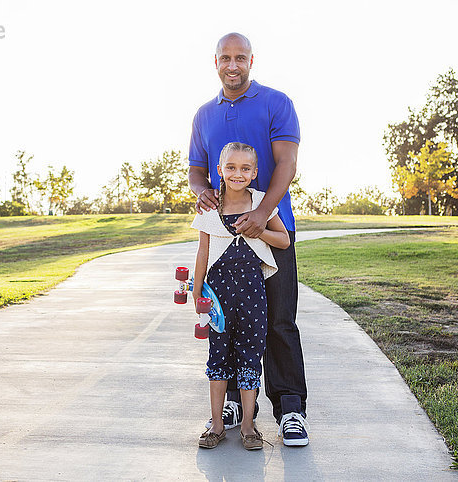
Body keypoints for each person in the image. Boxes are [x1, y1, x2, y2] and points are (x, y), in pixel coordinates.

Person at [188, 32, 309, 446]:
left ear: (251, 61)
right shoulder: (204, 114)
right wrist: (201, 189)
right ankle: (236, 407)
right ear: (216, 61)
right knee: (229, 326)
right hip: (225, 237)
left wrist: (261, 214)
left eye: (240, 57)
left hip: (272, 224)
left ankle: (291, 409)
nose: (232, 64)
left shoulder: (277, 103)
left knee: (276, 321)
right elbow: (196, 169)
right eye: (225, 57)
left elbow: (286, 162)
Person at [192, 142, 290, 450]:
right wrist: (196, 291)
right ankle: (217, 424)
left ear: (255, 173)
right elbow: (203, 251)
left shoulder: (262, 205)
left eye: (245, 168)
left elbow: (284, 241)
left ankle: (248, 425)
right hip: (218, 297)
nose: (238, 173)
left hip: (252, 295)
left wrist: (260, 231)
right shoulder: (210, 208)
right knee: (218, 357)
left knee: (249, 358)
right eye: (231, 168)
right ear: (219, 171)